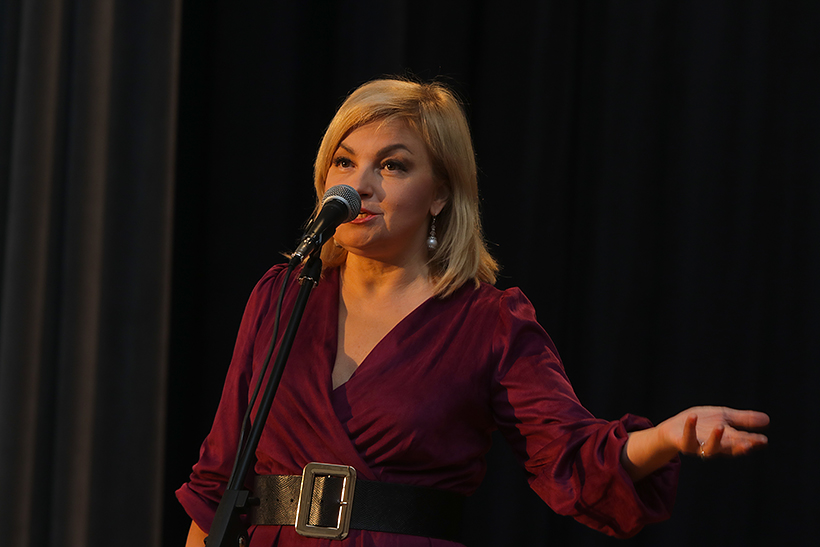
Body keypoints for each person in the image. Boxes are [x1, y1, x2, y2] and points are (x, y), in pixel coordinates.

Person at [178, 78, 769, 547]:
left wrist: (663, 439)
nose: (360, 185)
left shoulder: (490, 322)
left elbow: (568, 457)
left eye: (393, 165)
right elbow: (218, 482)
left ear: (440, 193)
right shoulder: (282, 295)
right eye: (344, 161)